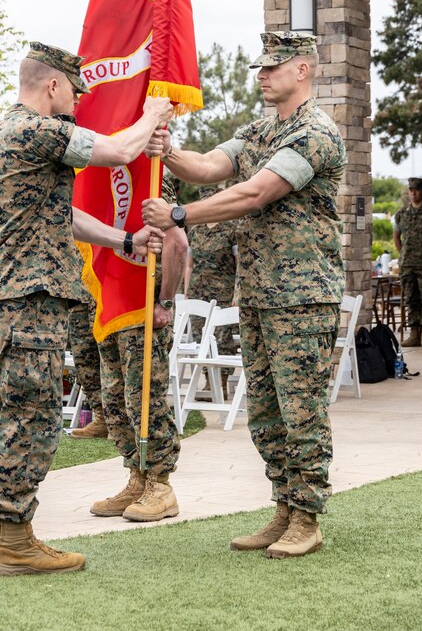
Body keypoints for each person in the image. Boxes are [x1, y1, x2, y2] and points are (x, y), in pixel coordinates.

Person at [0, 42, 171, 577]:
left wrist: (123, 241)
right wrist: (151, 113)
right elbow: (118, 151)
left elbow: (66, 216)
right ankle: (16, 540)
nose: (78, 101)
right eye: (74, 90)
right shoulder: (38, 130)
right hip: (27, 298)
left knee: (1, 413)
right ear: (52, 85)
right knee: (31, 416)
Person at [142, 30, 347, 559]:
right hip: (257, 293)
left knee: (301, 410)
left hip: (302, 295)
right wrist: (171, 152)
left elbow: (256, 192)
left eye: (271, 68)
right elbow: (212, 166)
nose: (261, 76)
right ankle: (283, 507)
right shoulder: (261, 130)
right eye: (259, 68)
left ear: (302, 70)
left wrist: (181, 213)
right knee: (266, 410)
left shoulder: (314, 132)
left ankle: (307, 516)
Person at [91, 177, 187, 522]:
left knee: (143, 395)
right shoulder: (105, 178)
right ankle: (137, 476)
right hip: (111, 303)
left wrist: (165, 300)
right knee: (115, 397)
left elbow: (177, 242)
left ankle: (160, 484)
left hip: (143, 303)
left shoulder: (151, 177)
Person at [185, 186, 239, 399]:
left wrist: (237, 292)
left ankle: (222, 382)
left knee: (222, 339)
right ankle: (209, 383)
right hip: (199, 292)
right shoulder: (196, 229)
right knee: (200, 338)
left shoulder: (230, 228)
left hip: (223, 293)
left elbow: (240, 263)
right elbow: (189, 264)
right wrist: (187, 292)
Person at [394, 178, 422, 347]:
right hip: (407, 264)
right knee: (411, 299)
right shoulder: (402, 213)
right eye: (411, 190)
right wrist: (404, 253)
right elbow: (396, 237)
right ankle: (414, 333)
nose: (413, 193)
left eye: (417, 190)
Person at [68, 300, 108, 439]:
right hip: (81, 297)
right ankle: (102, 418)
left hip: (110, 294)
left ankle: (120, 421)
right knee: (84, 358)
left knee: (113, 358)